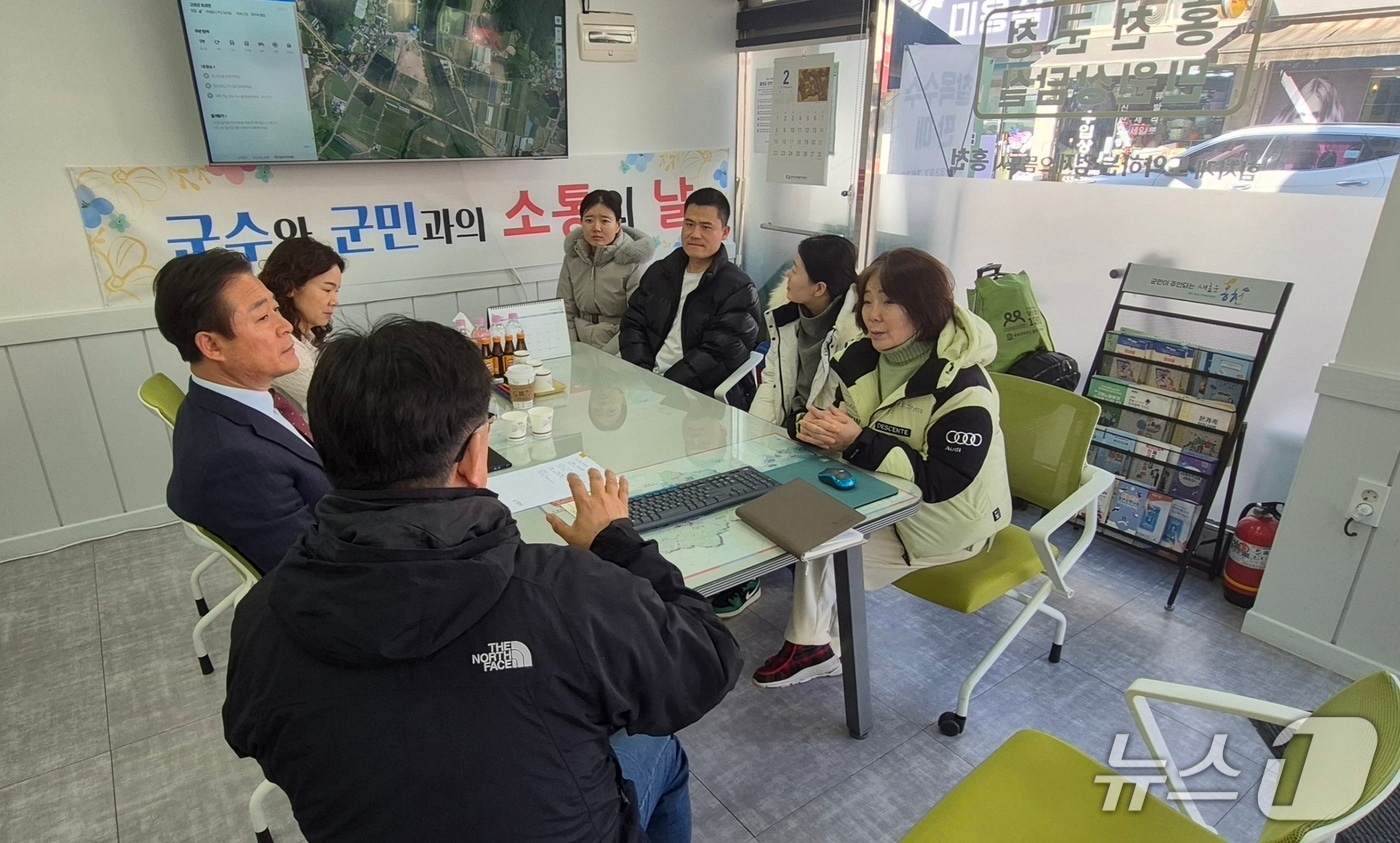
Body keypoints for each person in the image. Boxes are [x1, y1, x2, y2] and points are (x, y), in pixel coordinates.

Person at [222, 317, 743, 843]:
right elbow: (708, 662)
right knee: (660, 749)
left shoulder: (263, 615)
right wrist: (618, 544)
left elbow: (252, 737)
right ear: (476, 456)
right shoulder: (565, 591)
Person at [753, 247, 1012, 688]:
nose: (872, 314)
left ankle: (812, 647)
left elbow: (941, 481)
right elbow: (830, 415)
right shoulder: (861, 356)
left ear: (926, 306)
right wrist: (812, 427)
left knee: (823, 541)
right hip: (878, 497)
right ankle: (817, 639)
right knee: (785, 514)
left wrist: (857, 443)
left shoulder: (965, 386)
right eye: (867, 300)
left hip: (943, 524)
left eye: (888, 301)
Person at [711, 235, 862, 619]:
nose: (788, 275)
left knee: (765, 487)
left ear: (820, 288)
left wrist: (791, 433)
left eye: (795, 269)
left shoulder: (855, 333)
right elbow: (773, 379)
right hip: (789, 428)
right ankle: (743, 569)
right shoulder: (788, 312)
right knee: (731, 468)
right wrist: (754, 434)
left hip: (822, 438)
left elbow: (845, 408)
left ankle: (749, 574)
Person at [152, 249, 330, 574]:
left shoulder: (254, 399)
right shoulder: (233, 461)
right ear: (213, 346)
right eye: (263, 317)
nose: (285, 327)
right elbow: (319, 572)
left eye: (277, 310)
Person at [620, 188, 762, 407]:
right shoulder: (660, 272)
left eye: (706, 227)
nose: (695, 234)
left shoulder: (738, 288)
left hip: (700, 395)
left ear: (725, 232)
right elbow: (632, 324)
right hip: (647, 384)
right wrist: (644, 374)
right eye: (689, 224)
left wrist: (666, 386)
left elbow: (719, 355)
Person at [557, 189, 656, 354]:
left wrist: (605, 356)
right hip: (579, 346)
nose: (596, 228)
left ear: (617, 225)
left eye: (605, 221)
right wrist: (573, 350)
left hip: (618, 347)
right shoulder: (572, 259)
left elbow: (636, 320)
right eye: (589, 220)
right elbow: (565, 311)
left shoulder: (633, 262)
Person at [258, 236, 344, 417]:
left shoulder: (308, 337)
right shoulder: (281, 343)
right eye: (327, 290)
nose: (334, 301)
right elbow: (336, 401)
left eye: (336, 291)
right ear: (290, 287)